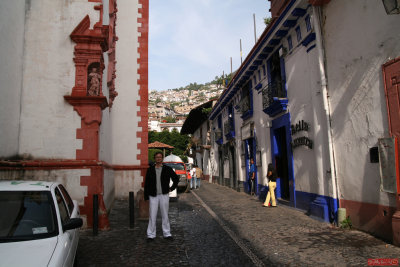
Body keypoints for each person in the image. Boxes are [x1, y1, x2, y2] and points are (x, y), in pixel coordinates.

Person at [144, 152, 179, 241]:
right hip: (153, 195)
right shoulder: (150, 169)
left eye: (160, 157)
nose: (158, 159)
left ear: (162, 158)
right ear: (155, 158)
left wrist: (171, 188)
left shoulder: (167, 169)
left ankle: (167, 233)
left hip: (164, 194)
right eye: (157, 157)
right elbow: (147, 183)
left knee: (165, 215)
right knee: (152, 215)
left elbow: (176, 178)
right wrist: (146, 196)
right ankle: (151, 235)